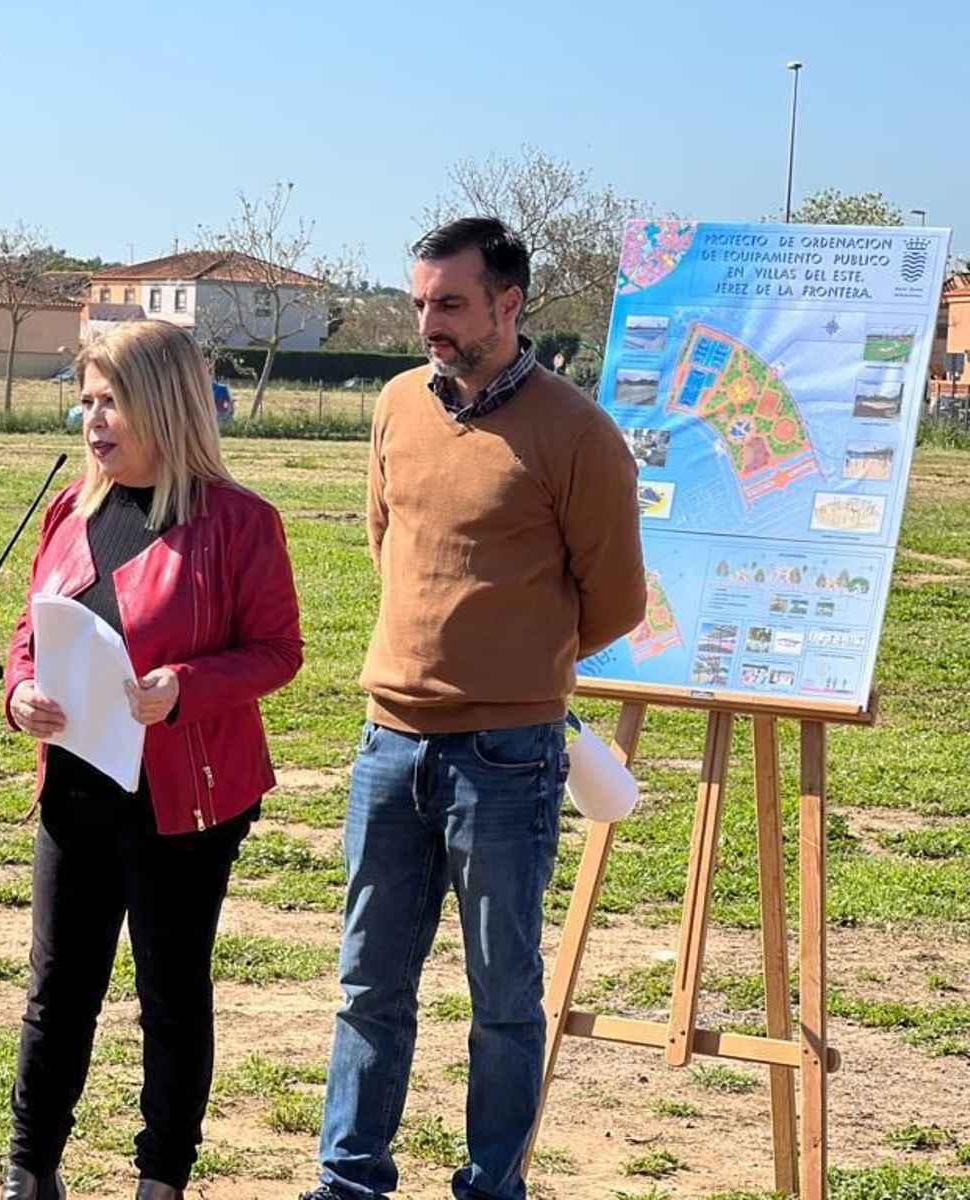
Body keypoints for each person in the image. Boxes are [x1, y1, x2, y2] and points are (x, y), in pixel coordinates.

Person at [303, 217, 646, 1200]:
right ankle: (348, 1179)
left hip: (506, 756)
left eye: (448, 304)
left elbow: (614, 597)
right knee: (370, 988)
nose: (427, 325)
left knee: (502, 999)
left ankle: (492, 1186)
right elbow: (386, 539)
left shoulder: (576, 433)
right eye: (418, 303)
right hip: (387, 743)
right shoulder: (396, 406)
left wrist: (514, 664)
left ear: (509, 303)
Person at [1, 319, 304, 1200]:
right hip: (77, 787)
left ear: (163, 405)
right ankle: (31, 1172)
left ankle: (161, 1179)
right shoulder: (68, 512)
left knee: (170, 995)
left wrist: (187, 685)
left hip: (186, 799)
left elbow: (278, 652)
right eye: (87, 400)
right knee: (58, 989)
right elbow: (31, 630)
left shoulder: (241, 522)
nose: (93, 420)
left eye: (112, 401)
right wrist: (21, 690)